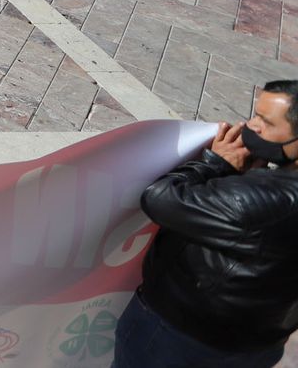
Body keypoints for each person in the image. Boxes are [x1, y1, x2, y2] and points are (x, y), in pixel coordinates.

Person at [115, 80, 298, 368]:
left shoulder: (263, 198)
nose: (251, 125)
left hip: (180, 337)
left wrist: (216, 163)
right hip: (260, 340)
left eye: (265, 121)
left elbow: (160, 198)